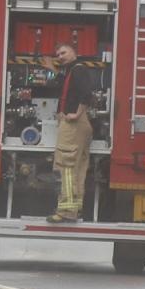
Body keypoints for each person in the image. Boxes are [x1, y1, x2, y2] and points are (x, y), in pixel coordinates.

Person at [44, 40, 98, 223]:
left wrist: (76, 113)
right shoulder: (72, 71)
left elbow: (86, 94)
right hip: (80, 125)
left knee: (66, 166)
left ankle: (66, 211)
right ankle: (75, 210)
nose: (60, 57)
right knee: (78, 168)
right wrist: (53, 69)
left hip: (73, 123)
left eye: (63, 53)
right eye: (58, 54)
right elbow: (66, 86)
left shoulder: (79, 70)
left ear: (74, 53)